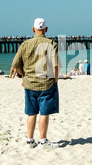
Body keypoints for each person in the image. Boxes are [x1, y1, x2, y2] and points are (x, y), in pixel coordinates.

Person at [12, 18, 60, 149]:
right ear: (46, 29)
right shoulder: (51, 43)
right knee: (44, 113)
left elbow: (15, 64)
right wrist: (55, 79)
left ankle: (30, 140)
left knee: (31, 113)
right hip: (46, 83)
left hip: (29, 83)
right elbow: (55, 65)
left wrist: (24, 76)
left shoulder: (25, 44)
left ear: (33, 29)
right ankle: (43, 141)